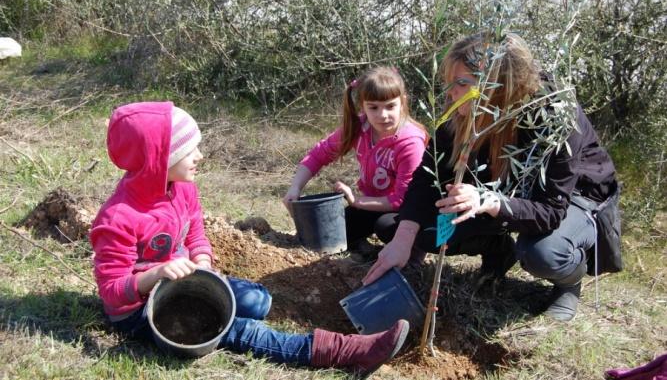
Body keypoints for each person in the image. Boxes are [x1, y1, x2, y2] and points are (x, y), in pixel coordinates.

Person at [89, 101, 409, 375]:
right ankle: (346, 353)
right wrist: (156, 274)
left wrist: (202, 261)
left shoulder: (182, 188)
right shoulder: (118, 219)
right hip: (143, 309)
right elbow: (113, 294)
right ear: (158, 160)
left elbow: (196, 230)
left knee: (258, 301)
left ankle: (253, 311)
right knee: (244, 330)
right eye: (189, 150)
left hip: (185, 282)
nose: (199, 155)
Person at [362, 32, 618, 322]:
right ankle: (497, 248)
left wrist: (487, 199)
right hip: (500, 190)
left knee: (543, 253)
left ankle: (568, 283)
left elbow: (550, 211)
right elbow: (428, 174)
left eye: (461, 83)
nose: (451, 93)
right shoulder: (461, 107)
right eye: (450, 82)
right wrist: (404, 238)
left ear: (498, 84)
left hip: (575, 197)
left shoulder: (555, 116)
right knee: (399, 228)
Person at [283, 66, 428, 254]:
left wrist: (356, 201)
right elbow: (319, 154)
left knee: (385, 226)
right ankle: (365, 249)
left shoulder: (410, 143)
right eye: (373, 107)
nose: (382, 115)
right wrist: (295, 188)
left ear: (403, 102)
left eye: (390, 106)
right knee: (333, 231)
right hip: (372, 204)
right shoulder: (360, 127)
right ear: (363, 106)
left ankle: (412, 256)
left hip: (408, 212)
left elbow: (402, 199)